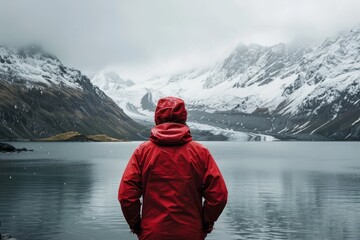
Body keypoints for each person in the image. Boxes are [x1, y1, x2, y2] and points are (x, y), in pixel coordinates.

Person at [118, 96, 228, 240]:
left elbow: (127, 196)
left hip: (152, 233)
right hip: (191, 233)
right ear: (184, 118)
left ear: (156, 118)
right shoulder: (200, 152)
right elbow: (218, 196)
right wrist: (206, 222)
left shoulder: (142, 152)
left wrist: (136, 224)